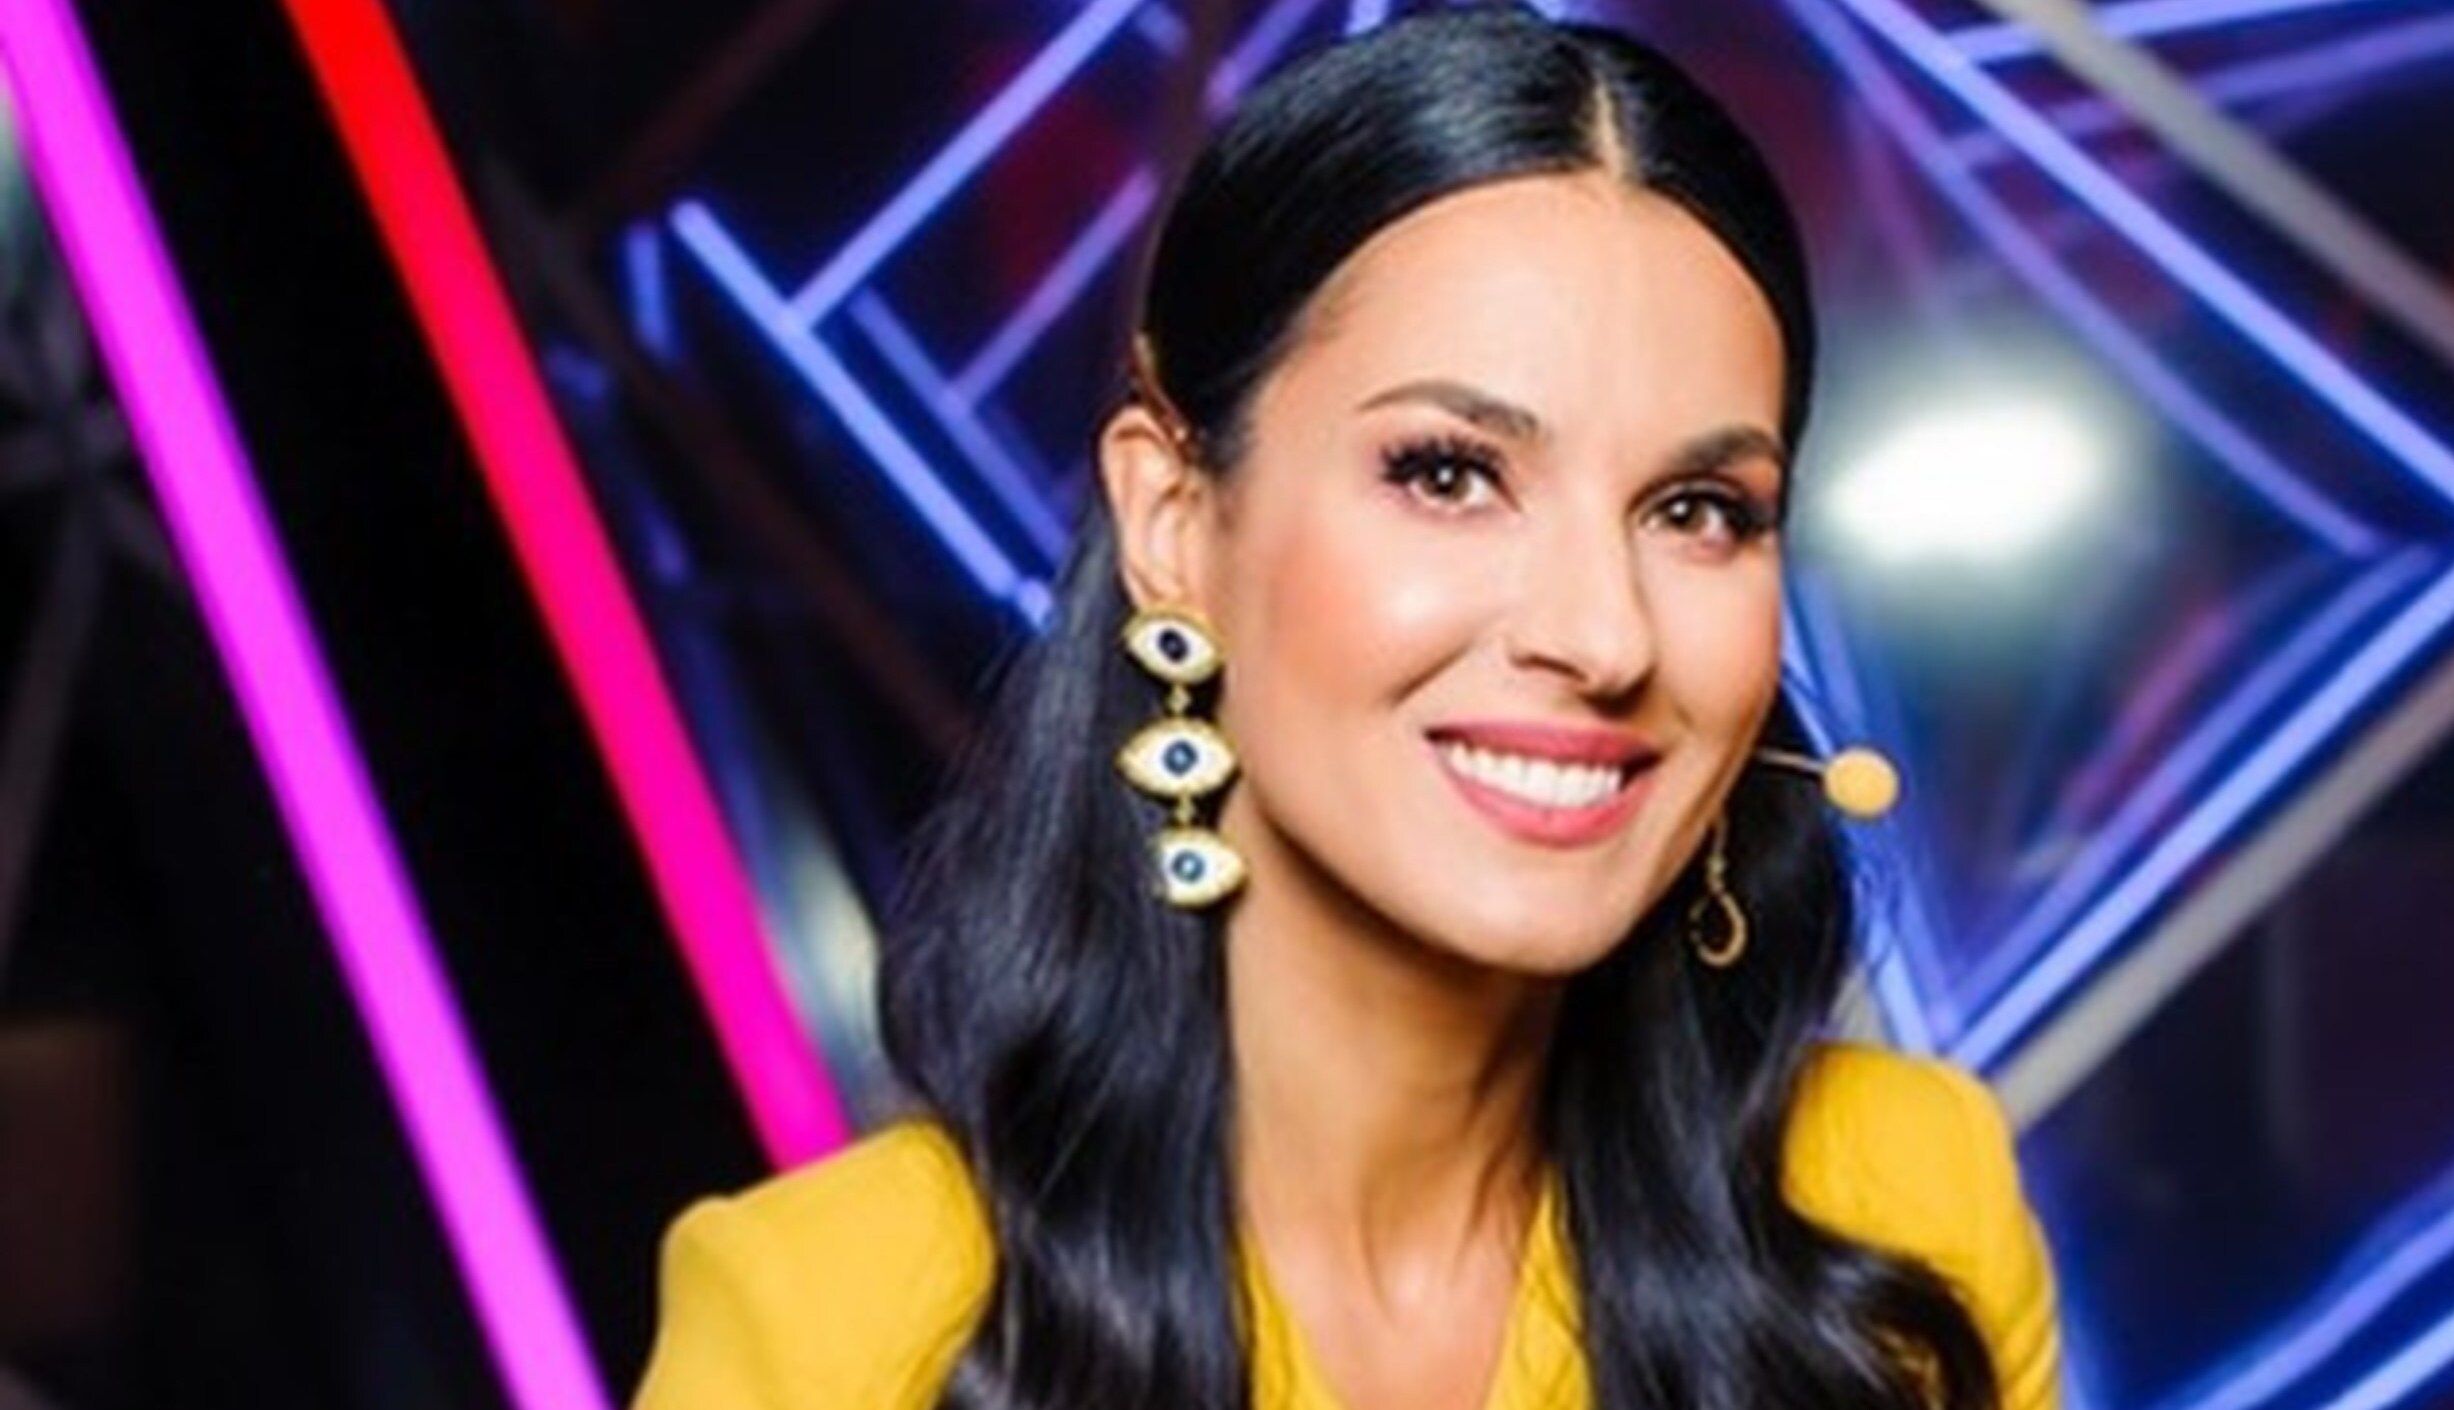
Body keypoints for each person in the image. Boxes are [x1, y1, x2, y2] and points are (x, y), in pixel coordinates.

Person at [631, 5, 2062, 1407]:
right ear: (1175, 518)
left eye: (1698, 508)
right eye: (1448, 474)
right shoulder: (840, 1326)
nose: (1603, 634)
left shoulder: (1898, 1212)